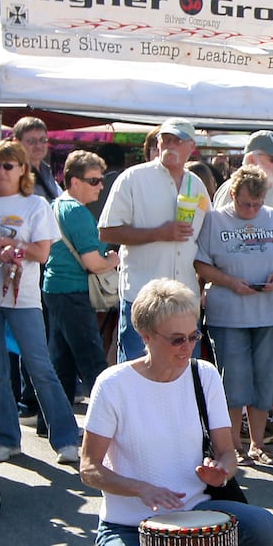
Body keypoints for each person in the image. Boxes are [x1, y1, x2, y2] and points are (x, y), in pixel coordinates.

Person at [80, 279, 273, 546]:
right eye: (176, 339)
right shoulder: (113, 385)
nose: (187, 347)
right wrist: (139, 487)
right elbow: (88, 468)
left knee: (263, 527)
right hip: (128, 526)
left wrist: (220, 470)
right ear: (145, 334)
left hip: (196, 512)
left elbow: (228, 453)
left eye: (193, 336)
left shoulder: (204, 375)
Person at [0, 139, 81, 465]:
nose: (0, 171)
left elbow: (42, 253)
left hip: (23, 298)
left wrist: (13, 249)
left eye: (7, 165)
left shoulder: (36, 205)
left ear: (22, 169)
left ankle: (67, 440)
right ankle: (6, 439)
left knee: (40, 368)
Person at [193, 165, 273, 468]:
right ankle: (233, 446)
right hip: (229, 313)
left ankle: (257, 443)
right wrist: (230, 282)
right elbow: (200, 264)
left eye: (257, 203)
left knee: (264, 380)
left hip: (268, 312)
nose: (252, 209)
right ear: (232, 194)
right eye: (245, 204)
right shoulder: (215, 220)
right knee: (234, 381)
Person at [98, 117, 210, 362]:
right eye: (165, 140)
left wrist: (204, 285)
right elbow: (107, 231)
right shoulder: (133, 179)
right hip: (142, 294)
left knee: (181, 369)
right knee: (137, 368)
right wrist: (158, 233)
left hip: (184, 297)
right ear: (157, 144)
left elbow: (206, 238)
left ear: (191, 146)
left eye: (177, 141)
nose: (170, 145)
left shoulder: (196, 185)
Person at [45, 151, 118, 408]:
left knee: (61, 361)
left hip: (55, 288)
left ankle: (53, 422)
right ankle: (109, 424)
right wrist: (114, 260)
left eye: (101, 180)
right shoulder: (76, 212)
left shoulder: (56, 205)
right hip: (73, 291)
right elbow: (94, 263)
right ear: (75, 181)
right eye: (94, 181)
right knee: (93, 362)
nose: (101, 186)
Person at [12, 116, 61, 202]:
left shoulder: (47, 171)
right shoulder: (12, 173)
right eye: (32, 141)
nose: (38, 146)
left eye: (43, 140)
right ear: (16, 143)